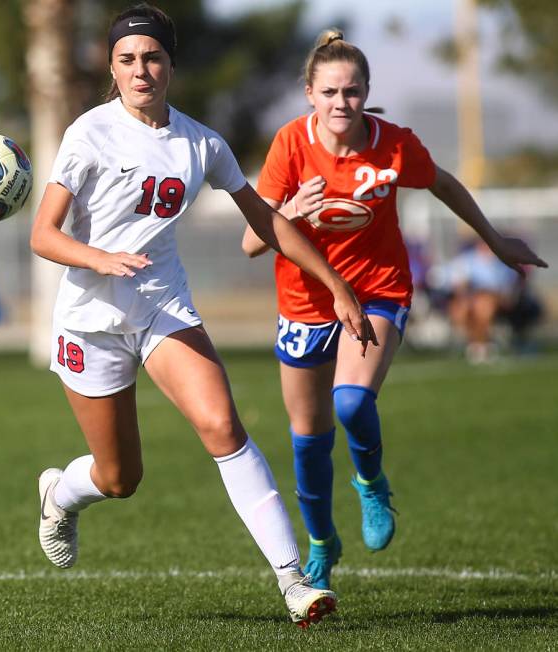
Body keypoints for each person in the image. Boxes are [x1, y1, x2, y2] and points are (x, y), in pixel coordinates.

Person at [30, 3, 376, 627]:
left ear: (170, 64)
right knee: (119, 477)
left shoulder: (200, 142)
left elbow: (267, 220)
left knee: (223, 426)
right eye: (128, 59)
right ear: (111, 67)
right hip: (89, 316)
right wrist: (99, 257)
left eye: (153, 57)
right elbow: (43, 236)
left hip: (162, 305)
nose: (141, 71)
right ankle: (59, 495)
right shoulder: (88, 132)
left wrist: (336, 285)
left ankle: (295, 582)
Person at [242, 29, 548, 590]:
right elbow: (251, 242)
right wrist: (290, 209)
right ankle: (321, 542)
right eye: (330, 92)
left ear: (366, 92)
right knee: (308, 437)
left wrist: (496, 240)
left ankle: (371, 482)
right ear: (310, 93)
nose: (341, 104)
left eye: (352, 92)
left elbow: (443, 184)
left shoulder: (393, 143)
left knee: (353, 402)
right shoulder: (289, 144)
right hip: (304, 302)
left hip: (378, 291)